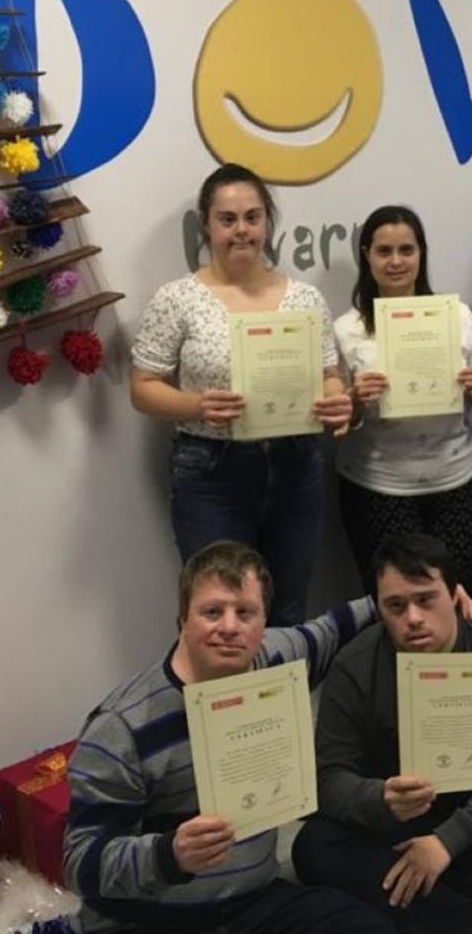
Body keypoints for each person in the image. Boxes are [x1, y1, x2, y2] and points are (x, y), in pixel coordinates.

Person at [63, 542, 389, 934]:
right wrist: (168, 854)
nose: (230, 627)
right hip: (154, 920)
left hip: (251, 903)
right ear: (183, 619)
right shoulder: (123, 726)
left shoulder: (276, 659)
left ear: (264, 622)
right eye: (212, 612)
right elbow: (80, 863)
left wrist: (409, 598)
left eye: (245, 612)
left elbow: (334, 627)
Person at [290, 533, 472, 934]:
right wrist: (379, 798)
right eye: (396, 606)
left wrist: (447, 842)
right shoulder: (354, 665)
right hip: (396, 817)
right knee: (313, 848)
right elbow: (328, 777)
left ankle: (416, 904)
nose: (413, 618)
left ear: (455, 596)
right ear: (380, 609)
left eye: (426, 599)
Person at [130, 163, 352, 624]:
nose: (241, 230)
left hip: (297, 467)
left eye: (252, 217)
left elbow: (329, 374)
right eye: (227, 219)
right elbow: (142, 388)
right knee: (220, 611)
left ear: (267, 222)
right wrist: (196, 405)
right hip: (211, 473)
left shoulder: (305, 298)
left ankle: (285, 676)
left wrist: (336, 399)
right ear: (207, 226)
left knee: (287, 609)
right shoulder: (178, 298)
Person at [336, 205, 472, 597]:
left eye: (406, 250)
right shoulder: (345, 329)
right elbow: (335, 416)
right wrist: (354, 399)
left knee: (459, 598)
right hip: (377, 484)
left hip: (457, 479)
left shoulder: (456, 316)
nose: (396, 261)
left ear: (421, 254)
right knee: (394, 602)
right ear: (367, 256)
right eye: (384, 251)